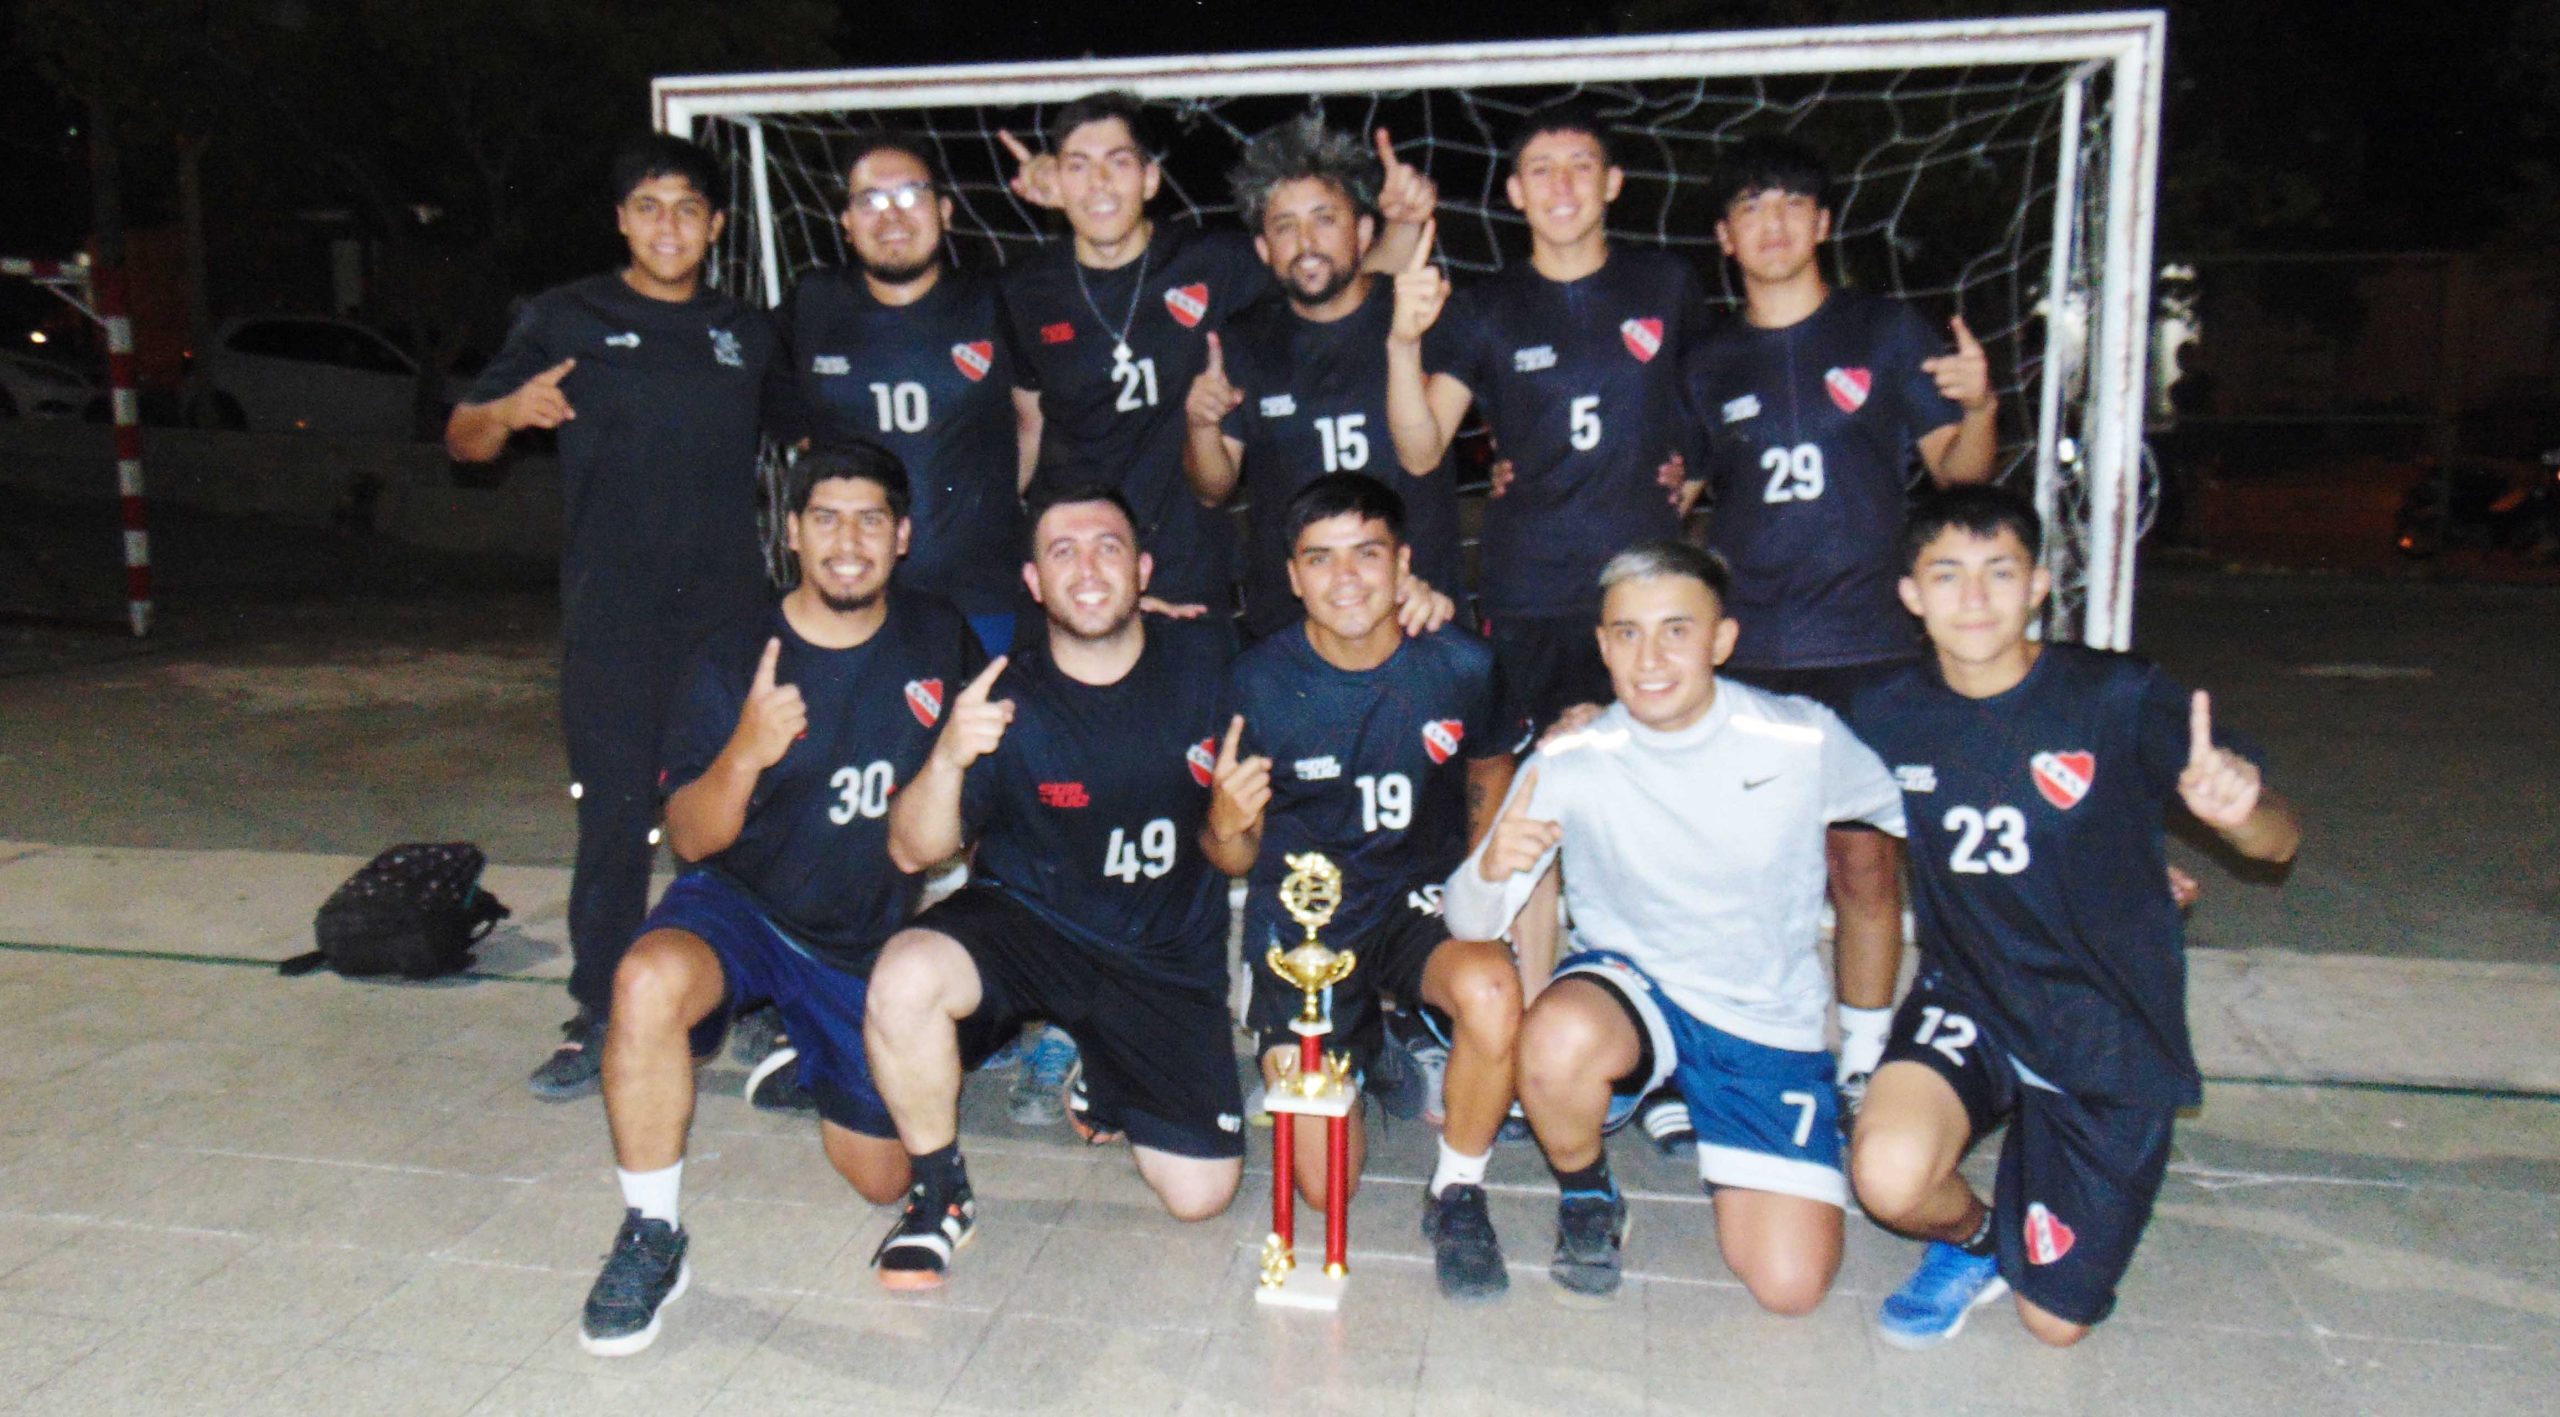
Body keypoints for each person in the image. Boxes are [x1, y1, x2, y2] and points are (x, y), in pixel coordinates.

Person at [1846, 485, 2299, 1350]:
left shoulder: (2117, 697)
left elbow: (2279, 842)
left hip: (2104, 1017)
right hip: (1971, 995)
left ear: (2040, 585)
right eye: (1946, 575)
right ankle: (1978, 1239)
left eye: (1999, 572)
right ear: (1910, 594)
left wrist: (2240, 812)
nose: (1973, 599)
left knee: (2054, 1323)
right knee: (1889, 1178)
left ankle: (2048, 1171)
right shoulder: (1883, 711)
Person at [574, 443, 984, 1356]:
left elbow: (967, 804)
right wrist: (746, 752)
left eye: (871, 518)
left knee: (881, 1181)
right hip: (743, 905)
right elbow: (689, 836)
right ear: (792, 532)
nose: (849, 540)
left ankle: (811, 1047)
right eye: (826, 518)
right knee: (643, 981)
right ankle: (650, 1233)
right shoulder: (734, 658)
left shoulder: (936, 637)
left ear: (903, 535)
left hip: (860, 936)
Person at [1442, 540, 1904, 1308]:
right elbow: (1467, 916)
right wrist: (1491, 872)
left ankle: (1699, 1106)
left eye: (1676, 630)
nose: (1649, 656)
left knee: (1789, 1286)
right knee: (1556, 1039)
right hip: (1633, 991)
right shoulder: (1573, 754)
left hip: (1758, 1016)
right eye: (1626, 632)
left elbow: (1924, 823)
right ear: (1602, 645)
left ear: (1722, 639)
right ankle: (1589, 1191)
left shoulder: (1802, 738)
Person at [1676, 133, 2002, 1138]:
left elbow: (1958, 468)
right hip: (1751, 650)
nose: (1770, 225)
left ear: (1821, 223)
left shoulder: (1883, 328)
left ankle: (1863, 1058)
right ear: (1724, 237)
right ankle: (1731, 1051)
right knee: (1739, 872)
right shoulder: (1707, 360)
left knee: (1863, 866)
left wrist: (1980, 401)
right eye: (1749, 209)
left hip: (1865, 644)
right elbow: (1672, 489)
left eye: (1789, 206)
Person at [447, 134, 782, 1100]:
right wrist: (511, 412)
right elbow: (464, 438)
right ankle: (601, 1007)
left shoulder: (748, 331)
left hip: (727, 615)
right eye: (648, 206)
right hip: (616, 615)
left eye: (687, 207)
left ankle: (750, 995)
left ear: (717, 225)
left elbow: (815, 433)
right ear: (621, 220)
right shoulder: (566, 316)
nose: (667, 224)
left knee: (736, 809)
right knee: (618, 816)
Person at [862, 485, 1243, 1290]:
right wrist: (949, 757)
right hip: (1028, 923)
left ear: (1141, 569)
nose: (1088, 568)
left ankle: (1104, 1070)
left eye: (1107, 546)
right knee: (904, 977)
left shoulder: (1213, 661)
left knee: (1201, 1194)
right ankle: (939, 1198)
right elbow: (910, 849)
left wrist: (1416, 603)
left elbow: (1331, 644)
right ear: (1034, 583)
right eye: (1060, 552)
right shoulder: (1001, 697)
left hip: (1161, 953)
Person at [1205, 474, 1526, 1300]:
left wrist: (1484, 892)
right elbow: (1230, 857)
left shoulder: (1461, 662)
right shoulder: (1256, 680)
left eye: (1367, 554)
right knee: (1325, 1189)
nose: (1346, 579)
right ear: (1292, 575)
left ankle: (1458, 1187)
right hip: (1306, 921)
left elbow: (1492, 770)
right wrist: (1230, 819)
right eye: (1321, 558)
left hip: (1414, 902)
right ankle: (1368, 1047)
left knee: (1493, 987)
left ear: (1404, 563)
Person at [999, 91, 1433, 622]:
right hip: (1075, 563)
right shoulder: (1022, 289)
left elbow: (1334, 283)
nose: (1099, 184)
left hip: (1187, 563)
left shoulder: (1215, 262)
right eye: (1078, 167)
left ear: (1151, 179)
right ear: (1055, 182)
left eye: (1118, 163)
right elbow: (1027, 427)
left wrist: (1405, 225)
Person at [1385, 99, 1712, 737]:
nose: (1562, 187)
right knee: (1539, 774)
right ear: (1513, 191)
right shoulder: (1486, 307)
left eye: (1580, 166)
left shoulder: (1667, 283)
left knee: (1650, 772)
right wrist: (1402, 344)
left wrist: (1684, 489)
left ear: (1612, 182)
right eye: (1540, 170)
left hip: (1645, 587)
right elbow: (1421, 452)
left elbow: (1711, 412)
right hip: (1531, 588)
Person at [1181, 115, 1463, 641]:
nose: (1305, 242)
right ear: (1264, 250)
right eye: (1284, 226)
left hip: (1418, 606)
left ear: (1361, 231)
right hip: (1292, 624)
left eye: (1323, 220)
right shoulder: (1243, 339)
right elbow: (1213, 488)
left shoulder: (1416, 314)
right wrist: (1200, 423)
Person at [773, 129, 1035, 657]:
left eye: (910, 194)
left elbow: (1035, 420)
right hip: (854, 597)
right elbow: (796, 436)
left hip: (982, 595)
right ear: (846, 222)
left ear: (945, 209)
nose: (891, 215)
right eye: (869, 199)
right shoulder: (811, 306)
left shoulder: (997, 300)